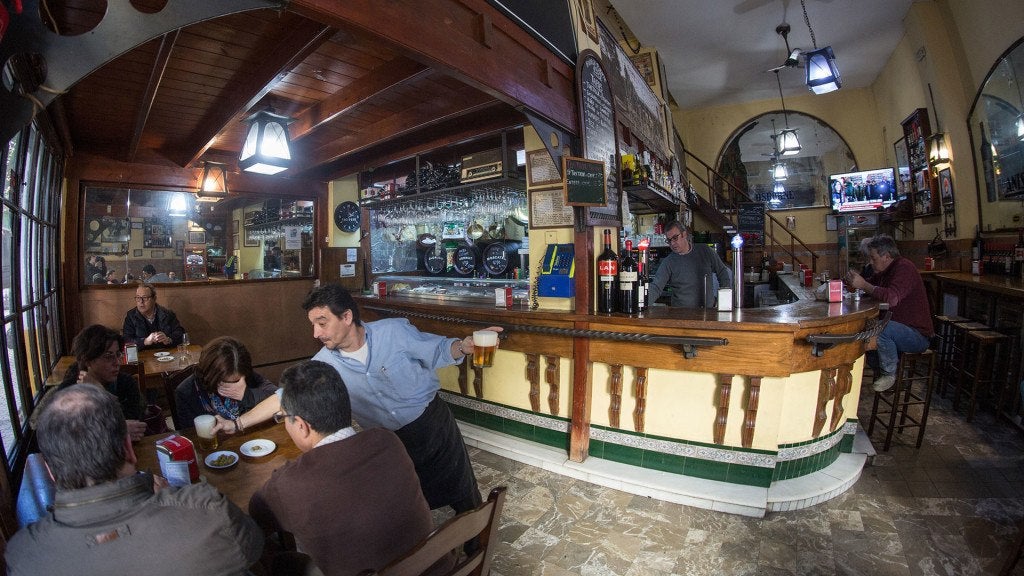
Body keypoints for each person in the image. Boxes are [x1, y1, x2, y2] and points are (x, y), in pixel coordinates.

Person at [216, 283, 494, 515]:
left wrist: (465, 346)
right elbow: (284, 397)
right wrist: (237, 424)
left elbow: (441, 349)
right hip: (387, 442)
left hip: (433, 426)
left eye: (322, 323)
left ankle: (476, 545)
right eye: (313, 324)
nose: (316, 333)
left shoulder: (394, 332)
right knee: (407, 504)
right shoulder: (324, 362)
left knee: (464, 493)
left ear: (346, 317)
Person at [5, 385, 263, 575]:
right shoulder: (206, 509)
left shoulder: (24, 556)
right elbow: (253, 546)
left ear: (50, 471)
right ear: (129, 449)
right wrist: (174, 496)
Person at [249, 360, 452, 576]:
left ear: (301, 425)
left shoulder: (289, 484)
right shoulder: (387, 440)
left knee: (278, 561)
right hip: (433, 568)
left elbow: (257, 517)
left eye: (283, 417)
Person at [845, 234, 933, 392]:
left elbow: (891, 298)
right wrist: (852, 282)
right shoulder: (886, 271)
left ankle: (889, 374)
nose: (871, 262)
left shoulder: (904, 268)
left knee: (882, 329)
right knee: (866, 335)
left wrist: (864, 285)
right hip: (899, 330)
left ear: (886, 256)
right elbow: (873, 286)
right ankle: (895, 378)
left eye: (873, 258)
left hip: (917, 335)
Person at [52, 324, 147, 441]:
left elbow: (135, 427)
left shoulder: (126, 382)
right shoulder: (68, 390)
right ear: (87, 360)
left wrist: (99, 390)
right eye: (108, 356)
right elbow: (65, 436)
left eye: (118, 354)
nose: (117, 362)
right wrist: (116, 429)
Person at [175, 336, 277, 428]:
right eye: (226, 382)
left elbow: (280, 398)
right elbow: (188, 434)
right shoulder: (186, 391)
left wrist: (246, 395)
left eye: (236, 381)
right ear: (212, 376)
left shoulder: (244, 375)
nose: (233, 385)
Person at [647, 221, 733, 308]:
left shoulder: (705, 251)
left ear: (684, 234)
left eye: (675, 238)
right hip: (681, 315)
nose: (672, 243)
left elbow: (722, 272)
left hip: (708, 312)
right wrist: (642, 305)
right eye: (669, 240)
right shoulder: (668, 262)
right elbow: (656, 287)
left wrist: (724, 299)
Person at [123, 283, 185, 349]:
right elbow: (126, 341)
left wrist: (168, 339)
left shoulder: (168, 314)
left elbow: (180, 335)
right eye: (138, 298)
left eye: (145, 298)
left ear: (154, 299)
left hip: (166, 355)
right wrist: (145, 341)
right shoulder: (131, 316)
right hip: (143, 356)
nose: (141, 301)